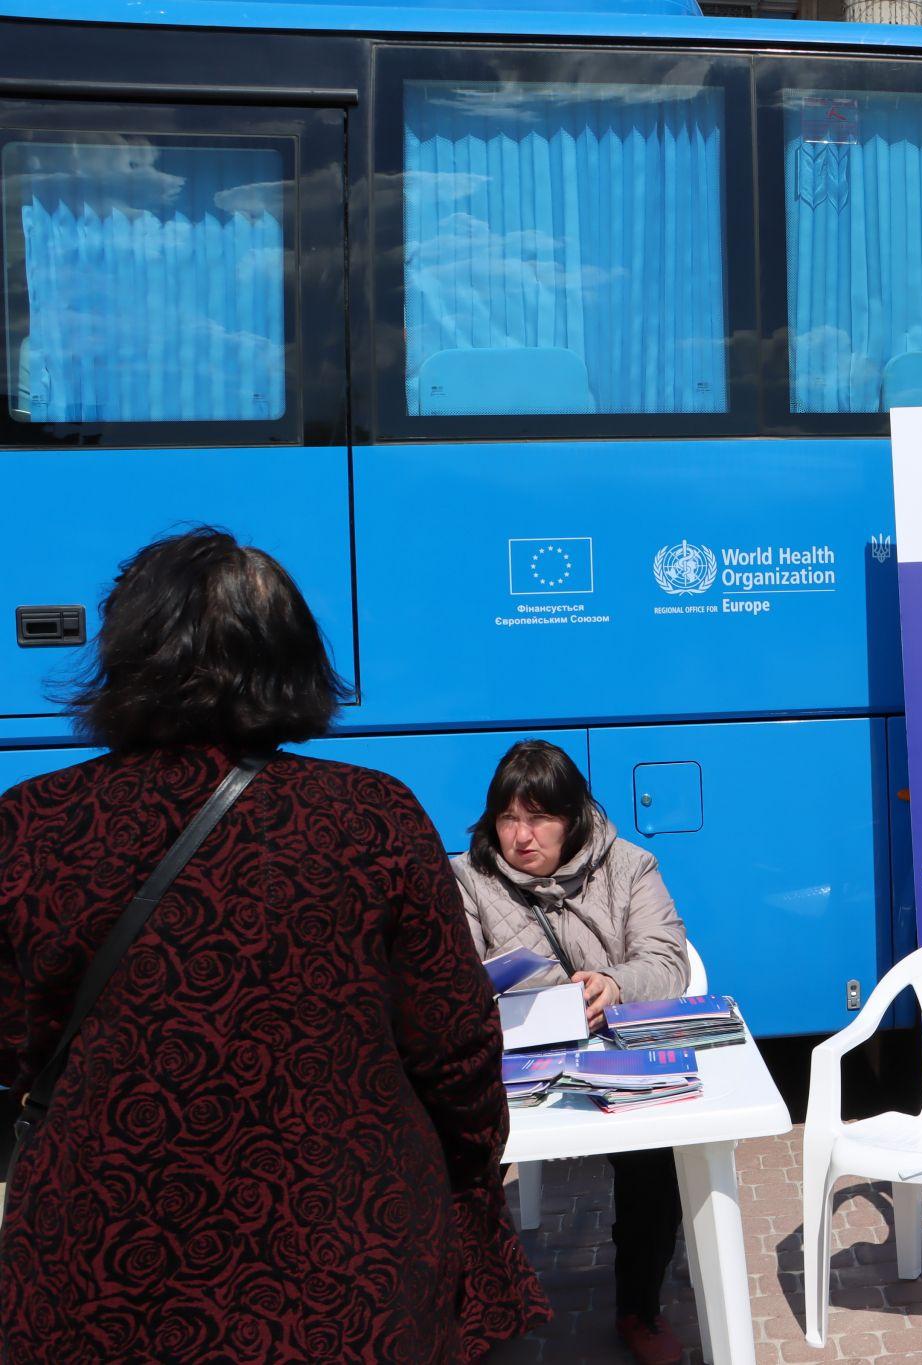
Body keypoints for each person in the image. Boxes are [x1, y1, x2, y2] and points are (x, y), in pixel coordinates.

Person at [0, 529, 547, 1362]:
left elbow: (18, 1049)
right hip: (346, 1265)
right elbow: (456, 1046)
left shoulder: (28, 825)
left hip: (101, 1266)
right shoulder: (370, 815)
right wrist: (467, 1177)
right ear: (289, 657)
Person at [454, 740, 693, 1365]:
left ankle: (639, 1308)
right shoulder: (468, 878)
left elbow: (666, 963)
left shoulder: (631, 866)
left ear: (575, 817)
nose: (521, 837)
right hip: (512, 1056)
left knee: (650, 1160)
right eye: (508, 819)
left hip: (610, 1047)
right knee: (456, 1155)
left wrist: (614, 985)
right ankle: (474, 1312)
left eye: (539, 818)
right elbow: (452, 978)